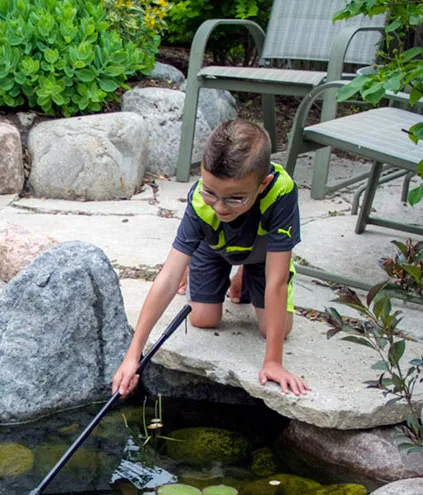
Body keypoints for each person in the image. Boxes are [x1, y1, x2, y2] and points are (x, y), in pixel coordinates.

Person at [112, 119, 310, 396]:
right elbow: (168, 278)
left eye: (235, 198)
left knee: (276, 329)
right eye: (210, 192)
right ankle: (200, 265)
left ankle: (246, 272)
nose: (219, 206)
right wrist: (133, 355)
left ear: (262, 184)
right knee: (203, 318)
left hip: (264, 254)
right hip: (214, 247)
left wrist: (273, 361)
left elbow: (276, 281)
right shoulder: (198, 201)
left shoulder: (281, 191)